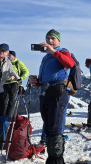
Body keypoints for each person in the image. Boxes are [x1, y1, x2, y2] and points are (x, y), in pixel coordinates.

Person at [28, 29, 75, 164]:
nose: (50, 41)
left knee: (55, 128)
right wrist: (36, 81)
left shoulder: (63, 52)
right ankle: (52, 158)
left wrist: (54, 52)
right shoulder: (45, 57)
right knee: (49, 126)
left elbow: (69, 64)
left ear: (58, 41)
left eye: (53, 38)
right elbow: (48, 77)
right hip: (46, 93)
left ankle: (56, 160)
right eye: (48, 38)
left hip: (58, 93)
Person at [3, 50, 29, 116]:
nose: (8, 56)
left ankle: (8, 117)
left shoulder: (18, 63)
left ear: (13, 56)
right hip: (5, 84)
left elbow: (26, 71)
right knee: (2, 101)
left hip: (14, 83)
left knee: (11, 101)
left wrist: (21, 78)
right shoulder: (4, 63)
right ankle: (1, 117)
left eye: (9, 55)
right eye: (7, 55)